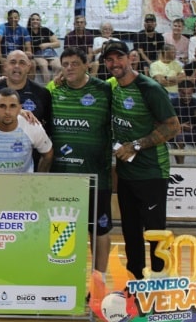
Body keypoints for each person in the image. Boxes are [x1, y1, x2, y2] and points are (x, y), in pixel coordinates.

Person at [103, 40, 180, 280]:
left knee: (155, 232)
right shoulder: (110, 86)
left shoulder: (149, 88)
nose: (115, 63)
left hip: (152, 173)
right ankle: (136, 283)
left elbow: (173, 127)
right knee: (131, 232)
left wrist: (136, 145)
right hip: (126, 174)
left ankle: (160, 281)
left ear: (131, 58)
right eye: (109, 59)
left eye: (119, 58)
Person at [46, 47, 113, 292]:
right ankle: (61, 283)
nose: (70, 67)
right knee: (61, 229)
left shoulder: (105, 90)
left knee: (99, 229)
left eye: (75, 63)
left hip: (97, 177)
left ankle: (98, 285)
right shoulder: (53, 90)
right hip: (61, 177)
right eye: (66, 64)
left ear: (87, 65)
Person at [0, 87, 53, 172]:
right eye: (2, 106)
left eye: (12, 106)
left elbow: (48, 154)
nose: (7, 112)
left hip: (22, 184)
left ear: (20, 108)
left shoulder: (32, 126)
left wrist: (39, 181)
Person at [0, 50, 52, 129]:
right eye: (13, 62)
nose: (17, 66)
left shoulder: (42, 94)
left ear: (29, 67)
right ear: (5, 66)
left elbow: (47, 127)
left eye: (22, 63)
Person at [0, 9, 32, 76]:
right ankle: (4, 85)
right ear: (8, 18)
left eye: (15, 18)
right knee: (4, 64)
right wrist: (0, 58)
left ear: (19, 18)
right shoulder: (2, 27)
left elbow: (28, 47)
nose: (13, 20)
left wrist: (27, 54)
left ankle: (28, 85)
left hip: (18, 56)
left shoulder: (23, 30)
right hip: (5, 55)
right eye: (11, 18)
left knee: (33, 64)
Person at [27, 13, 61, 83]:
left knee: (58, 66)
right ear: (30, 21)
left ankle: (54, 86)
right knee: (43, 65)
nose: (35, 21)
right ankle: (47, 88)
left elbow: (58, 44)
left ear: (40, 21)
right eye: (33, 19)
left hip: (50, 53)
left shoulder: (45, 30)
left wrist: (47, 44)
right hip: (37, 54)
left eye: (37, 19)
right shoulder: (27, 31)